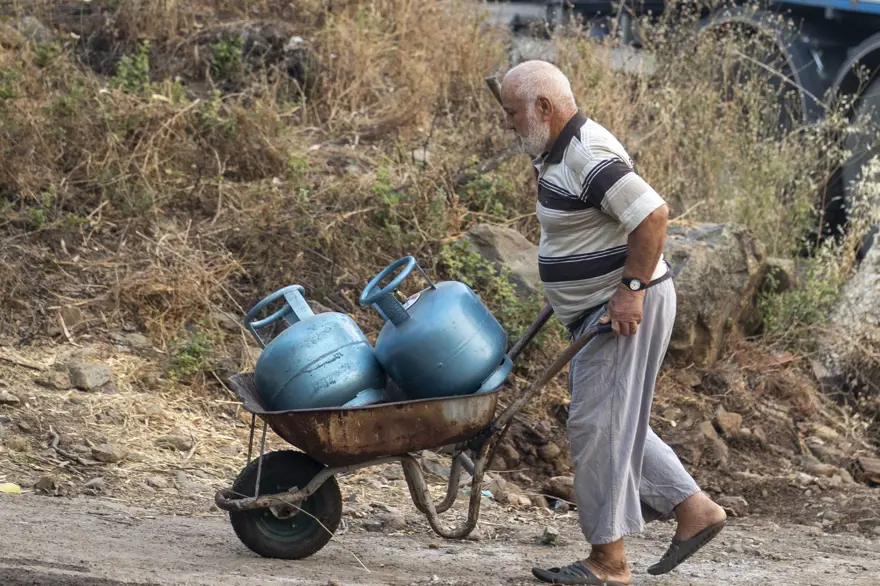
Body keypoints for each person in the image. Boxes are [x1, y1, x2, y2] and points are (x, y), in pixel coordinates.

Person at [498, 60, 727, 585]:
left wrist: (628, 291)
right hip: (596, 309)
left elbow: (653, 215)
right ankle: (695, 511)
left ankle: (608, 563)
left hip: (619, 311)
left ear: (544, 107)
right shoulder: (558, 150)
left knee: (597, 429)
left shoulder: (586, 153)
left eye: (512, 112)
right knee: (617, 423)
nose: (508, 123)